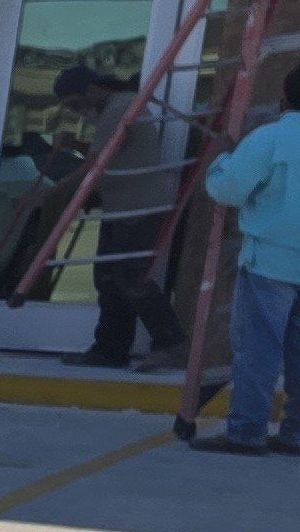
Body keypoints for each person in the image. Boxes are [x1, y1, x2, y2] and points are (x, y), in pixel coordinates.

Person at [191, 59, 300, 454]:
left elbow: (229, 190)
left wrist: (221, 161)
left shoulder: (271, 137)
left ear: (285, 96)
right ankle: (296, 433)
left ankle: (246, 430)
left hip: (271, 261)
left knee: (259, 349)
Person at [51, 63, 190, 368]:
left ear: (92, 90)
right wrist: (74, 144)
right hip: (122, 206)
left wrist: (50, 193)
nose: (77, 112)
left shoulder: (122, 107)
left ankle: (172, 344)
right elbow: (109, 152)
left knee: (130, 276)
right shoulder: (114, 109)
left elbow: (95, 164)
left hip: (139, 206)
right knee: (109, 279)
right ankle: (110, 350)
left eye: (75, 104)